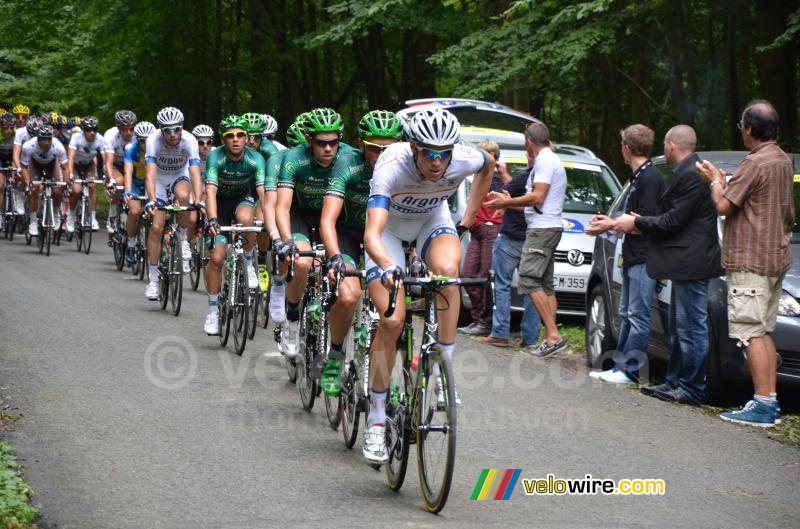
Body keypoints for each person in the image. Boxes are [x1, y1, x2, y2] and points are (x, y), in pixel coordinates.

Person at [362, 108, 494, 463]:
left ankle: (438, 371)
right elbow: (372, 233)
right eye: (429, 153)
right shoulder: (390, 166)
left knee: (448, 273)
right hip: (388, 231)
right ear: (413, 147)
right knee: (392, 319)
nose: (438, 162)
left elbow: (488, 165)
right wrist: (389, 266)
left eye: (444, 153)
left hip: (431, 220)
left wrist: (468, 220)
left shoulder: (464, 158)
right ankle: (375, 418)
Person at [696, 100, 794, 426]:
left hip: (750, 261)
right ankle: (769, 400)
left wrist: (714, 180)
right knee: (763, 331)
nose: (741, 130)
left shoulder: (755, 163)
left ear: (749, 129)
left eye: (741, 125)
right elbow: (789, 214)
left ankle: (763, 404)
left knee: (750, 334)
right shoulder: (782, 161)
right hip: (775, 258)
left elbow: (723, 205)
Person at [615, 125, 723, 405]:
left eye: (665, 145)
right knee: (680, 326)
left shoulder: (692, 174)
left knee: (691, 327)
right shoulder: (687, 171)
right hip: (683, 261)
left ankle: (692, 387)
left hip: (693, 261)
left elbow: (674, 220)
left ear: (672, 145)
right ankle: (674, 381)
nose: (663, 149)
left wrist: (636, 222)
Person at [318, 109, 402, 396]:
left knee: (390, 313)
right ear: (362, 145)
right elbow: (328, 219)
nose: (380, 155)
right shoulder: (347, 164)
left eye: (387, 149)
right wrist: (335, 257)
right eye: (373, 148)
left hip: (383, 239)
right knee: (349, 294)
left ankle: (382, 377)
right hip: (348, 235)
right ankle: (336, 353)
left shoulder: (403, 168)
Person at [585, 124, 665, 384]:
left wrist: (610, 225)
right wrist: (610, 220)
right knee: (628, 313)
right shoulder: (638, 176)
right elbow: (633, 218)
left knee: (639, 315)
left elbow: (646, 221)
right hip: (632, 255)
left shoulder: (651, 178)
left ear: (626, 148)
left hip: (644, 257)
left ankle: (630, 370)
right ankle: (620, 366)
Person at [274, 108, 353, 358]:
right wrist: (286, 240)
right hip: (301, 217)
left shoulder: (350, 157)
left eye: (333, 142)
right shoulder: (294, 159)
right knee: (302, 261)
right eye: (321, 142)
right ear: (310, 140)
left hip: (334, 220)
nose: (328, 148)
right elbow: (282, 207)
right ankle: (293, 316)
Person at [485, 122, 567, 357]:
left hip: (541, 231)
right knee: (545, 284)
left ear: (528, 141)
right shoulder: (549, 160)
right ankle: (551, 338)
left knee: (529, 281)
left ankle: (553, 335)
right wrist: (510, 202)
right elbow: (541, 204)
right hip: (547, 226)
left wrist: (506, 203)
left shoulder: (544, 161)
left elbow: (538, 197)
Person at [202, 115, 268, 334]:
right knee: (217, 258)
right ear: (223, 139)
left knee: (248, 220)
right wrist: (212, 219)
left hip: (242, 199)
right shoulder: (215, 157)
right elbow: (210, 191)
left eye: (240, 135)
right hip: (219, 205)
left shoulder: (255, 158)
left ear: (247, 137)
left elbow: (262, 192)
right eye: (230, 136)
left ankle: (248, 261)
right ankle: (213, 310)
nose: (236, 140)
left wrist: (269, 219)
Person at [142, 107, 203, 300]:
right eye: (167, 130)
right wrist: (152, 199)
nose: (172, 134)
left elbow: (195, 173)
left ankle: (183, 238)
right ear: (160, 129)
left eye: (176, 129)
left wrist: (199, 200)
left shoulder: (190, 140)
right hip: (159, 179)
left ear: (182, 128)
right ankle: (153, 280)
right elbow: (150, 173)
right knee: (156, 227)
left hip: (179, 175)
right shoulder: (153, 141)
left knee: (185, 197)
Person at [458, 140, 511, 336]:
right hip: (476, 230)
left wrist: (502, 172)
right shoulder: (476, 176)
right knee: (468, 276)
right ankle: (479, 319)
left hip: (491, 230)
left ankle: (485, 322)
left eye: (484, 156)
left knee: (484, 277)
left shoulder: (498, 179)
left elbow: (511, 194)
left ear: (494, 158)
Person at [20, 125, 68, 236]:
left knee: (57, 191)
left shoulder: (58, 146)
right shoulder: (29, 146)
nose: (47, 142)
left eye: (49, 139)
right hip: (35, 165)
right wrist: (28, 183)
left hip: (52, 165)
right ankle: (33, 222)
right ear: (38, 139)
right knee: (33, 191)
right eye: (43, 139)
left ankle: (55, 214)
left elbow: (65, 167)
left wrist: (66, 184)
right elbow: (24, 167)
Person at [122, 121, 157, 265]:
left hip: (151, 184)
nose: (146, 143)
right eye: (142, 140)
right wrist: (128, 191)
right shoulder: (131, 148)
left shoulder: (158, 149)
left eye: (149, 140)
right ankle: (130, 244)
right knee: (135, 211)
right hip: (135, 184)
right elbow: (128, 171)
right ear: (138, 140)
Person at [66, 116, 107, 232]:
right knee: (77, 190)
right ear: (83, 131)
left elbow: (105, 160)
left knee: (93, 186)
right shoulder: (76, 137)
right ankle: (71, 215)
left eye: (95, 129)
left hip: (89, 165)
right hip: (75, 165)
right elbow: (71, 156)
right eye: (89, 130)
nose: (92, 132)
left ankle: (93, 218)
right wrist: (70, 174)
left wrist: (107, 174)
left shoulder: (100, 139)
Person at [103, 110, 137, 233]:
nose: (128, 132)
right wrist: (111, 179)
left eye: (131, 129)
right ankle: (112, 213)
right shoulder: (110, 136)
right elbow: (108, 163)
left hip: (132, 165)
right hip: (115, 165)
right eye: (124, 129)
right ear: (118, 128)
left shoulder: (138, 136)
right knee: (119, 182)